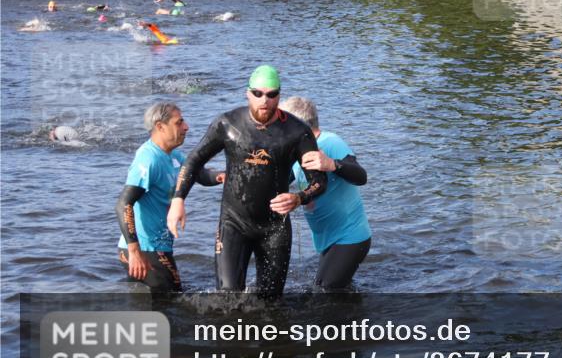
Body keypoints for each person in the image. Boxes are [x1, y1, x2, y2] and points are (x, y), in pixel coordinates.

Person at [167, 65, 327, 298]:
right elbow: (193, 160)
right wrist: (178, 200)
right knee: (227, 298)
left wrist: (298, 198)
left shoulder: (297, 132)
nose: (265, 100)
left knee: (271, 303)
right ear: (247, 93)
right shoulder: (228, 124)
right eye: (258, 93)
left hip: (275, 227)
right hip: (233, 223)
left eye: (272, 94)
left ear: (279, 95)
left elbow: (320, 182)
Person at [116, 102, 224, 292]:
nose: (186, 126)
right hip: (144, 248)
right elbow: (124, 204)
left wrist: (223, 176)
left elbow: (199, 175)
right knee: (171, 300)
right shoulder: (148, 159)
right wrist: (134, 252)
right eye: (179, 122)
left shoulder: (173, 155)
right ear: (160, 126)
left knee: (148, 299)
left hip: (155, 246)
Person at [280, 96, 371, 290]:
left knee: (325, 293)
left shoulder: (330, 142)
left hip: (350, 237)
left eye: (283, 123)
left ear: (298, 126)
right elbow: (281, 181)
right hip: (327, 239)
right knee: (331, 292)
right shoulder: (298, 150)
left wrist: (332, 164)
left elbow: (361, 176)